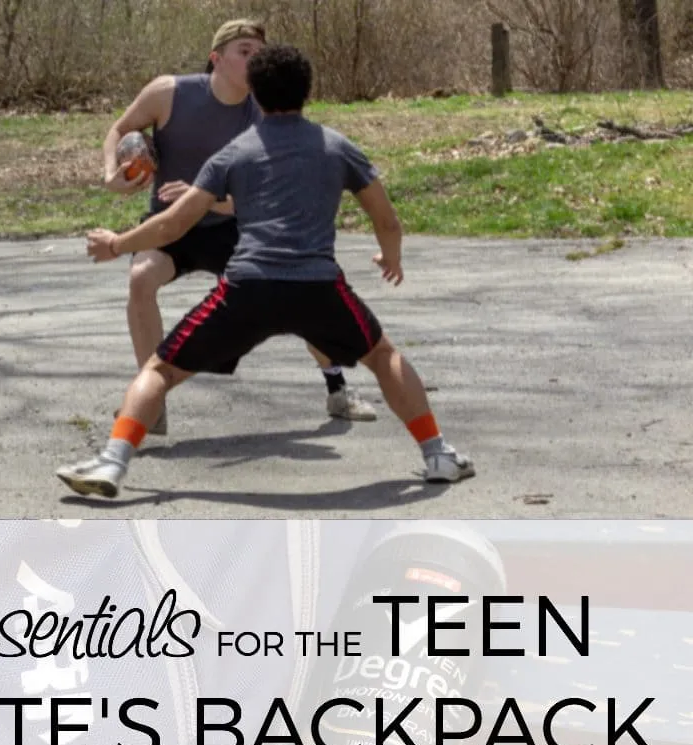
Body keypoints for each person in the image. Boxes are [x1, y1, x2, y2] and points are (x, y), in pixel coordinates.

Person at [58, 44, 473, 500]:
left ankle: (114, 464)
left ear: (254, 92)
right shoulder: (337, 147)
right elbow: (386, 219)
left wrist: (118, 243)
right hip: (318, 289)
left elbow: (175, 221)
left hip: (247, 288)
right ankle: (437, 456)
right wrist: (390, 257)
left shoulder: (234, 153)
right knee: (381, 356)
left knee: (159, 370)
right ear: (307, 92)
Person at [101, 18, 376, 435]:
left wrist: (203, 198)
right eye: (245, 51)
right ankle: (151, 404)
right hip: (169, 229)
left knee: (297, 284)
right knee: (141, 279)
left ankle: (337, 389)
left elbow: (260, 197)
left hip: (233, 226)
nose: (255, 59)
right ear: (217, 59)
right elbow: (119, 129)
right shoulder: (169, 93)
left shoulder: (267, 115)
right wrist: (112, 172)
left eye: (259, 53)